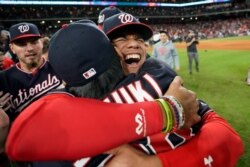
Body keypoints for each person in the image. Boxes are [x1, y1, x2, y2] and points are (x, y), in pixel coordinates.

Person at [5, 21, 201, 165]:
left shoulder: (56, 144)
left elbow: (19, 141)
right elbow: (221, 134)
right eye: (122, 39)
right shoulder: (161, 76)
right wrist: (169, 110)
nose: (30, 48)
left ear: (63, 80)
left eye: (34, 42)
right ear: (114, 54)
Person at [102, 12, 243, 166]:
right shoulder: (86, 98)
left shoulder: (164, 78)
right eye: (122, 38)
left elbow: (228, 136)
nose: (134, 44)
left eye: (139, 39)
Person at [0, 22, 64, 121]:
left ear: (41, 43)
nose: (30, 48)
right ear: (12, 48)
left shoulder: (60, 68)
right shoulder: (3, 79)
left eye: (34, 42)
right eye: (22, 44)